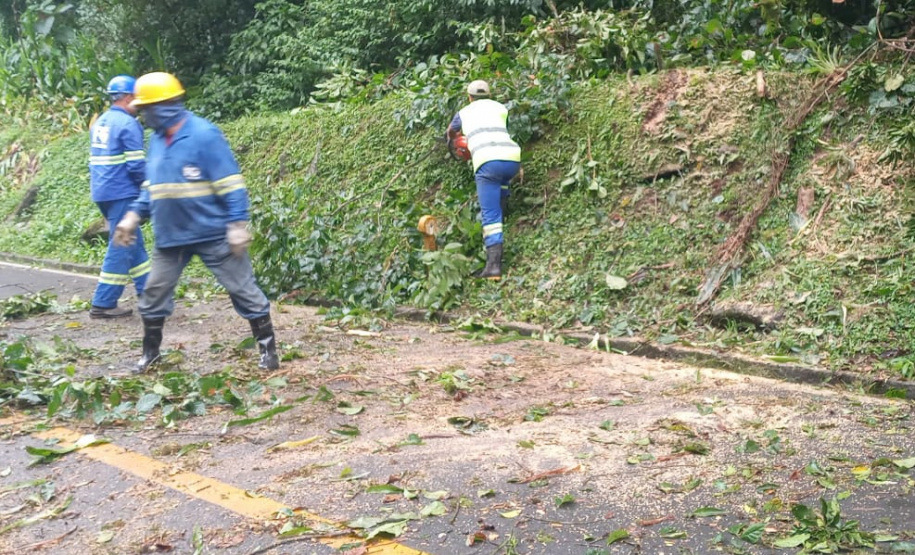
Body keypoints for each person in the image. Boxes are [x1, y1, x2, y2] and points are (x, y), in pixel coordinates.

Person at [113, 72, 279, 373]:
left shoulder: (204, 135)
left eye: (146, 109)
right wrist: (133, 215)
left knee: (243, 289)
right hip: (170, 237)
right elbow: (153, 187)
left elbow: (231, 184)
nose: (143, 116)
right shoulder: (157, 141)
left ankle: (268, 350)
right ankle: (150, 354)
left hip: (212, 232)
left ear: (164, 106)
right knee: (153, 294)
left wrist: (237, 224)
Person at [446, 80, 522, 281]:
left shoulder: (464, 113)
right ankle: (506, 211)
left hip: (487, 163)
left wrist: (454, 141)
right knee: (501, 184)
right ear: (489, 95)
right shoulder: (500, 108)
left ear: (469, 97)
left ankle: (493, 267)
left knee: (490, 215)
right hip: (512, 159)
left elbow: (451, 132)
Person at [88, 74, 150, 318]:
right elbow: (136, 166)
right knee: (122, 243)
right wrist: (150, 187)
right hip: (122, 191)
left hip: (103, 192)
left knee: (135, 244)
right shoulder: (128, 124)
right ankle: (103, 302)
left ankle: (150, 295)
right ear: (128, 98)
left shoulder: (101, 122)